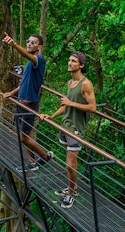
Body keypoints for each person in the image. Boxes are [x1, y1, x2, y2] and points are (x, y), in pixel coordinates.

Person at [40, 51, 96, 209]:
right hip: (65, 125)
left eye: (73, 61)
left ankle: (71, 194)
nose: (69, 63)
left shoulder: (86, 83)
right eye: (69, 60)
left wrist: (70, 104)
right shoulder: (70, 83)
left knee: (70, 164)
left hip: (76, 128)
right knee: (70, 163)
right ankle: (72, 187)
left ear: (81, 65)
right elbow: (66, 105)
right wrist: (52, 116)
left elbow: (92, 107)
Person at [3, 32, 54, 171]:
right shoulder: (29, 63)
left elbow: (27, 55)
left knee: (23, 138)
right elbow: (24, 82)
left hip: (30, 103)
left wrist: (13, 44)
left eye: (33, 42)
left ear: (40, 46)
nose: (29, 44)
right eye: (28, 41)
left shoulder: (39, 60)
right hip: (21, 102)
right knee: (27, 134)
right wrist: (12, 93)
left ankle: (45, 157)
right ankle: (31, 162)